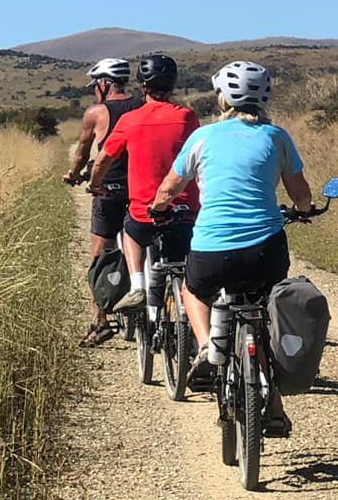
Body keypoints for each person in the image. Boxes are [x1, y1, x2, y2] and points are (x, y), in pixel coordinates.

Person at [149, 60, 314, 434]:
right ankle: (274, 405)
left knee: (193, 289)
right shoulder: (277, 137)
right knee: (265, 315)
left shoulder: (202, 138)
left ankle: (207, 347)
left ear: (222, 98)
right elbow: (301, 195)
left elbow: (169, 188)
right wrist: (302, 211)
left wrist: (158, 209)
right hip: (266, 249)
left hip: (212, 247)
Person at [87, 53, 199, 312]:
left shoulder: (130, 120)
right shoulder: (187, 117)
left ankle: (137, 285)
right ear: (172, 85)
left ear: (142, 86)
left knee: (130, 231)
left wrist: (95, 184)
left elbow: (102, 160)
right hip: (184, 206)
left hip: (144, 210)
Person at [65, 58, 141, 345]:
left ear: (104, 84)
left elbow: (82, 152)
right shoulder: (143, 106)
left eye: (95, 86)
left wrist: (74, 174)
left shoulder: (96, 112)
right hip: (141, 187)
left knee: (99, 255)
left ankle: (100, 321)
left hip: (110, 188)